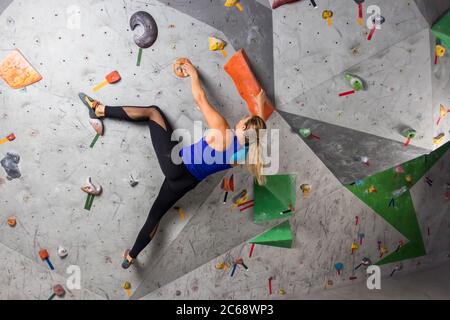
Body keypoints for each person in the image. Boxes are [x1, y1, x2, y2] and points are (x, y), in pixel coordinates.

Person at [78, 59, 269, 269]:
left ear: (244, 125)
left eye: (244, 118)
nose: (241, 118)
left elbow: (200, 98)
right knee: (156, 216)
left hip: (175, 164)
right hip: (185, 183)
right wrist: (259, 109)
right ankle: (131, 256)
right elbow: (255, 134)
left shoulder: (223, 130)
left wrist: (193, 73)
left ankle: (100, 110)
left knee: (153, 112)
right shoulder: (246, 153)